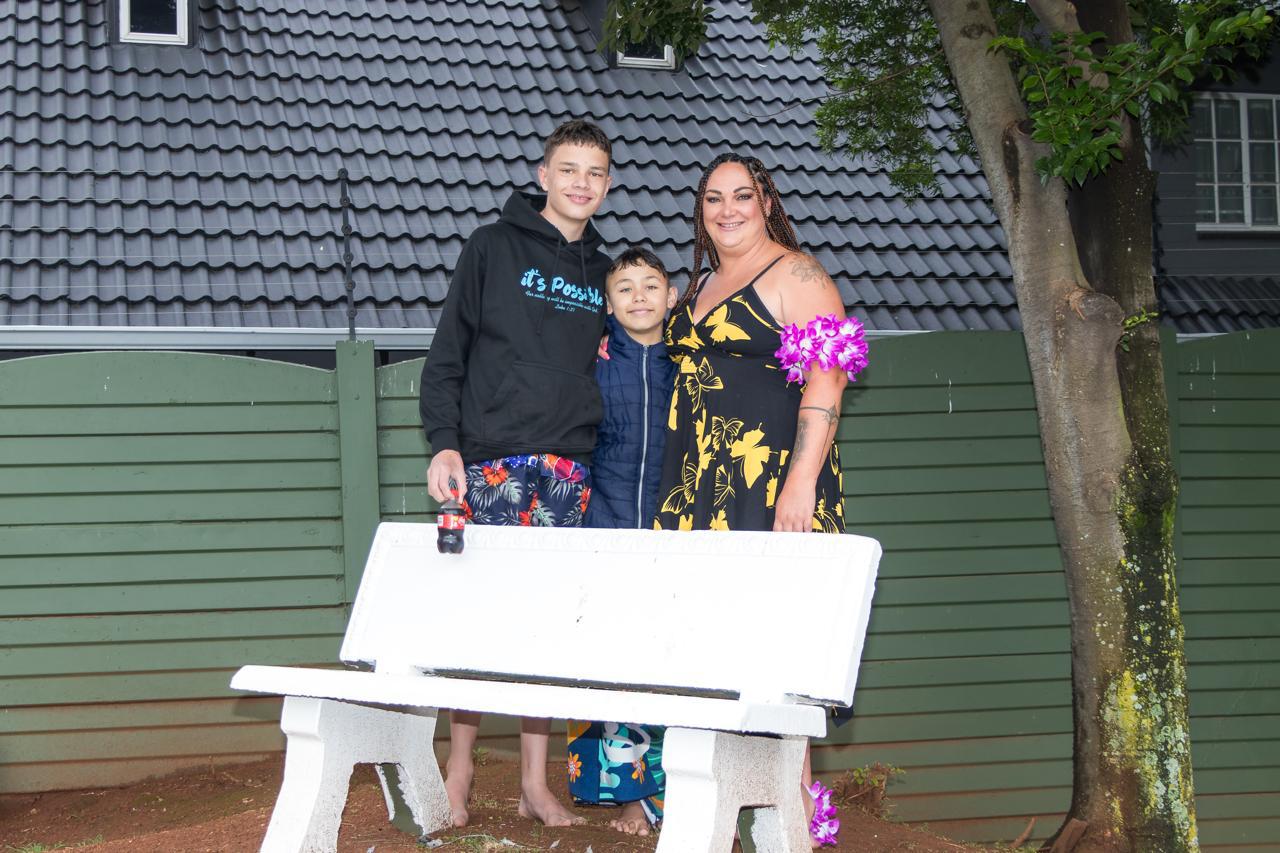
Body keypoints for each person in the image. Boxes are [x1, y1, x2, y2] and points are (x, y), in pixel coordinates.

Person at [654, 152, 854, 846]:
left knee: (781, 648)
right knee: (713, 647)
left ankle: (797, 824)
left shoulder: (797, 275)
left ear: (766, 202)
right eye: (714, 198)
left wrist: (800, 485)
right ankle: (723, 814)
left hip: (769, 485)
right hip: (697, 486)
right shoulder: (702, 283)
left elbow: (828, 380)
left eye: (742, 195)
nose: (728, 209)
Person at [418, 119, 614, 828]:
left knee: (544, 625)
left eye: (594, 172)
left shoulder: (604, 272)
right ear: (543, 176)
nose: (580, 183)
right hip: (492, 459)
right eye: (569, 169)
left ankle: (534, 782)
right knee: (479, 617)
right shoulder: (491, 246)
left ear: (607, 184)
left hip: (567, 466)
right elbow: (448, 353)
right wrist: (445, 444)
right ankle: (460, 769)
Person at [567, 247, 678, 836]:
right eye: (626, 288)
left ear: (672, 297)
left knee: (666, 660)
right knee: (610, 661)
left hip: (671, 534)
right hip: (603, 527)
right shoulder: (592, 361)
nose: (639, 297)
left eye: (651, 285)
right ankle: (625, 796)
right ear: (607, 305)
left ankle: (671, 791)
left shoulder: (689, 363)